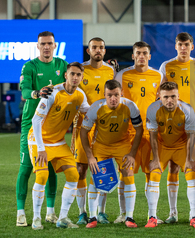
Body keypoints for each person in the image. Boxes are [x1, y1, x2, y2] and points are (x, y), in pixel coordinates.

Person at [28, 62, 89, 230]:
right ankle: (36, 218)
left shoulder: (80, 95)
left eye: (78, 75)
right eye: (72, 74)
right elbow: (36, 121)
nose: (75, 77)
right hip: (38, 140)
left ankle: (62, 218)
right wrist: (41, 148)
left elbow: (89, 113)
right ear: (66, 75)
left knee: (73, 175)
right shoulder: (52, 93)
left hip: (59, 142)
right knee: (42, 177)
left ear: (82, 78)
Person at [17, 31, 68, 227]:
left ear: (55, 46)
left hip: (52, 126)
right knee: (27, 167)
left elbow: (75, 78)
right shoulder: (30, 66)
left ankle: (51, 212)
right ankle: (21, 212)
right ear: (38, 46)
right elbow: (24, 91)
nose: (46, 47)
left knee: (52, 167)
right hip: (31, 122)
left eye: (50, 43)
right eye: (43, 44)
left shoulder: (61, 65)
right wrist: (37, 93)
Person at [159, 32, 195, 223]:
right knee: (172, 166)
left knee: (194, 166)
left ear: (192, 46)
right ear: (175, 46)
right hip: (173, 122)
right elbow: (162, 93)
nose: (183, 47)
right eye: (180, 44)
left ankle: (193, 213)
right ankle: (173, 213)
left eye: (186, 44)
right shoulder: (167, 66)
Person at [80, 79, 143, 228]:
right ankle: (93, 217)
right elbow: (84, 131)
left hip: (122, 145)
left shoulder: (130, 106)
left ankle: (129, 217)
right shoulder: (96, 107)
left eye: (116, 95)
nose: (113, 99)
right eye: (109, 95)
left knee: (128, 173)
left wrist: (132, 153)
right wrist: (89, 156)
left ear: (121, 93)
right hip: (101, 146)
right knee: (96, 177)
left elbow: (139, 129)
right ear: (104, 95)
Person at [114, 41, 164, 223]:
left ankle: (153, 215)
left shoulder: (158, 75)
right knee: (125, 173)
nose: (141, 56)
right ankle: (123, 213)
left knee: (151, 173)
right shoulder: (122, 75)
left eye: (144, 53)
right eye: (138, 53)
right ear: (133, 56)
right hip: (128, 133)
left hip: (151, 132)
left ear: (149, 56)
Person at [145, 81, 195, 228]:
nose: (169, 100)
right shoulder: (153, 109)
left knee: (191, 173)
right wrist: (156, 159)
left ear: (178, 96)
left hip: (181, 146)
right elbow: (152, 136)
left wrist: (190, 159)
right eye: (165, 97)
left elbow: (191, 137)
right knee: (154, 173)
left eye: (173, 97)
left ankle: (194, 216)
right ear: (159, 96)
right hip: (162, 146)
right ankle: (152, 216)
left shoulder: (187, 110)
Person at [72, 37, 115, 225]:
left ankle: (102, 211)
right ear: (88, 51)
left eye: (101, 47)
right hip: (83, 126)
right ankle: (82, 212)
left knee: (103, 170)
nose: (98, 50)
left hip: (104, 127)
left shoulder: (110, 70)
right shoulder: (80, 70)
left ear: (105, 51)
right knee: (81, 169)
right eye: (94, 47)